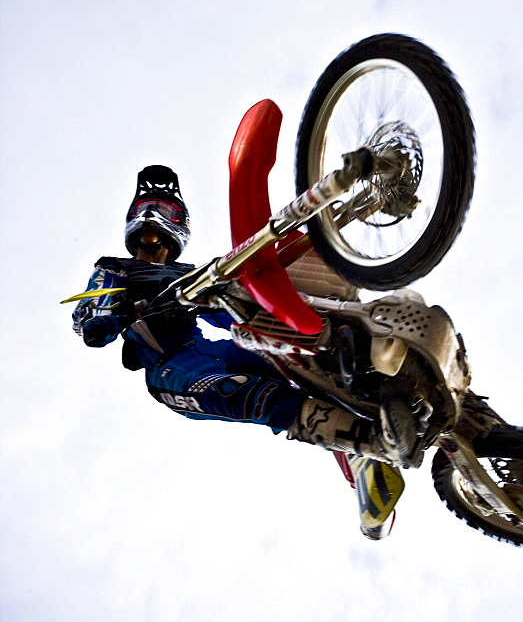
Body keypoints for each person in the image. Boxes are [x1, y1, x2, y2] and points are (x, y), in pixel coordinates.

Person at [73, 165, 426, 537]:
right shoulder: (114, 270)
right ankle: (365, 447)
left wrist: (274, 325)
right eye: (145, 216)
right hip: (171, 369)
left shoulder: (191, 273)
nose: (151, 226)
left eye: (164, 214)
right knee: (248, 394)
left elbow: (230, 312)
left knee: (298, 361)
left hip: (214, 346)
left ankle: (379, 384)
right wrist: (106, 317)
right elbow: (91, 316)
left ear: (179, 226)